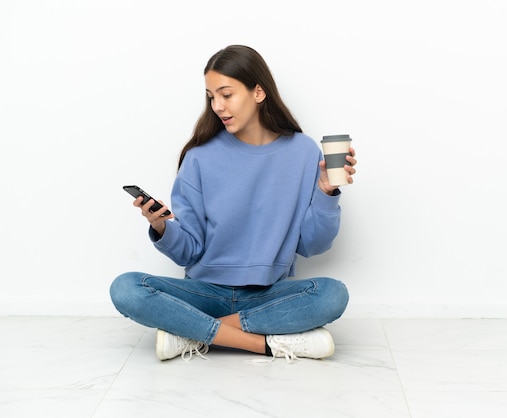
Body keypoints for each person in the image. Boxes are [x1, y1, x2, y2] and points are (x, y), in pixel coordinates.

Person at [110, 45, 357, 363]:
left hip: (268, 295)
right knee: (126, 288)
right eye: (211, 96)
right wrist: (160, 226)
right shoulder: (200, 158)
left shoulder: (304, 152)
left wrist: (326, 192)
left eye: (226, 94)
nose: (218, 106)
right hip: (204, 293)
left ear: (258, 92)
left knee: (332, 295)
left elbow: (313, 245)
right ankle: (266, 344)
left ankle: (192, 334)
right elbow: (189, 252)